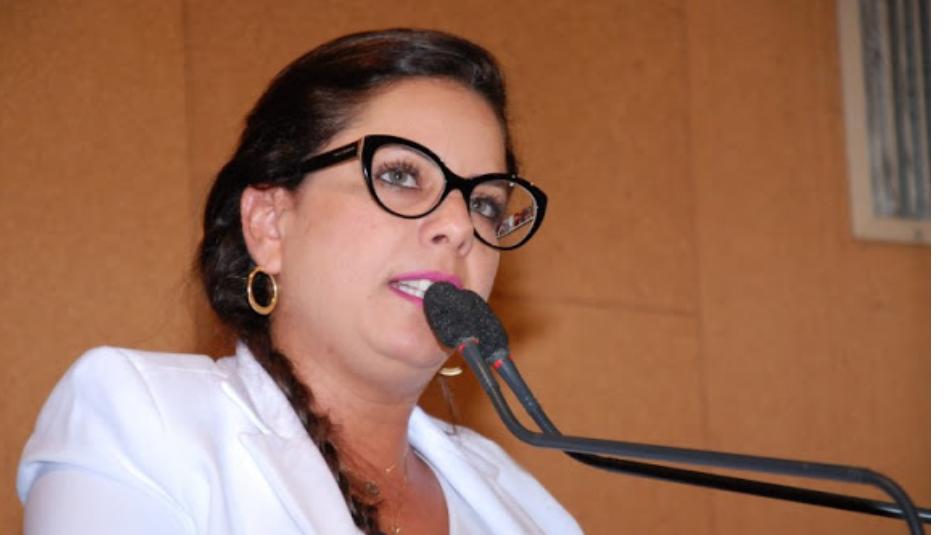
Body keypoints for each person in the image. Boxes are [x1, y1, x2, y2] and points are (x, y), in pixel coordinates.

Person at [17, 28, 582, 534]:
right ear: (270, 224)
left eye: (484, 204)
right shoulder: (144, 425)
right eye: (400, 175)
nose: (459, 226)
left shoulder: (527, 508)